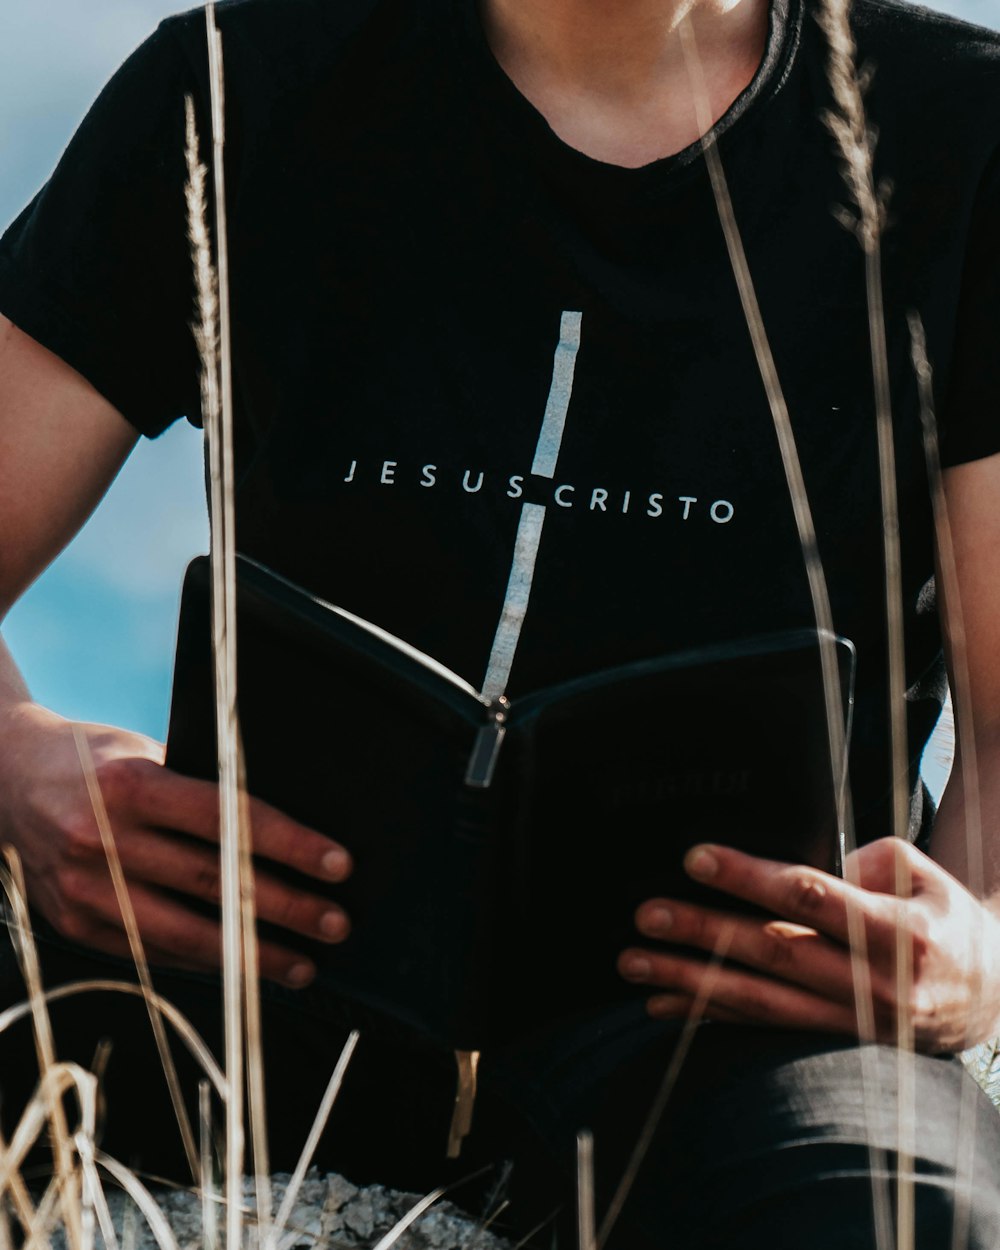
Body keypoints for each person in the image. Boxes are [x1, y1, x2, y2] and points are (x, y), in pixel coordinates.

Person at [1, 0, 1000, 1244]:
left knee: (902, 1213)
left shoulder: (960, 129)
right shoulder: (240, 80)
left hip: (738, 1017)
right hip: (232, 957)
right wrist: (22, 762)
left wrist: (980, 944)